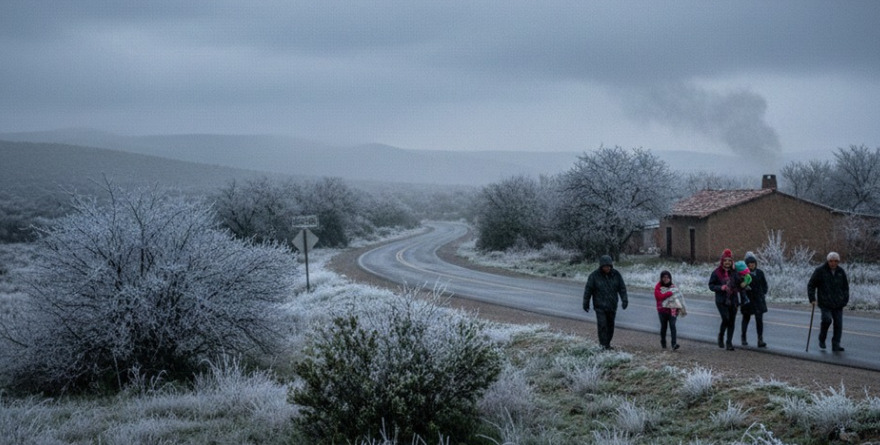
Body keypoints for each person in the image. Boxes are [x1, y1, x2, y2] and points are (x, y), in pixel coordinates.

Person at [583, 255, 628, 350]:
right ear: (601, 266)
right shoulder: (594, 276)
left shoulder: (616, 275)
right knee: (602, 325)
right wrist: (586, 302)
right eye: (604, 266)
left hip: (612, 305)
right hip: (600, 306)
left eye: (608, 266)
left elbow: (622, 288)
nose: (606, 268)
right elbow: (588, 290)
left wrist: (624, 300)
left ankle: (607, 344)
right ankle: (603, 345)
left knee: (610, 326)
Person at [808, 251, 849, 352]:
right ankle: (822, 338)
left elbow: (845, 287)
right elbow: (811, 285)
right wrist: (812, 299)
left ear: (838, 261)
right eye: (831, 261)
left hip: (838, 303)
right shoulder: (820, 271)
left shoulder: (841, 272)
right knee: (827, 320)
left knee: (838, 324)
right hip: (825, 302)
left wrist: (844, 300)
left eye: (835, 261)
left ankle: (836, 344)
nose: (833, 263)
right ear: (828, 261)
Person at [708, 248, 743, 351]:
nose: (727, 262)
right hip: (721, 300)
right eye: (725, 260)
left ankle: (729, 343)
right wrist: (720, 288)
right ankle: (721, 335)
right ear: (722, 261)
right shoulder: (716, 273)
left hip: (733, 300)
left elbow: (740, 283)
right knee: (726, 318)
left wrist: (744, 281)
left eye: (729, 260)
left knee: (731, 321)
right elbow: (711, 285)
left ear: (732, 261)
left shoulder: (735, 272)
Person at [740, 252, 769, 348]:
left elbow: (764, 285)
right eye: (749, 263)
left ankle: (760, 339)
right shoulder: (743, 274)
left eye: (753, 263)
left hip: (758, 300)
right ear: (746, 265)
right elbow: (740, 286)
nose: (752, 265)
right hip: (748, 300)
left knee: (759, 320)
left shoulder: (760, 273)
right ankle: (743, 337)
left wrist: (763, 293)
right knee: (746, 318)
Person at [654, 270, 680, 350]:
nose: (666, 279)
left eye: (668, 277)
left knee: (673, 326)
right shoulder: (658, 287)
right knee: (664, 327)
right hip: (662, 311)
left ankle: (674, 344)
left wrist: (679, 308)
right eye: (664, 277)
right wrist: (668, 294)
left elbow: (678, 298)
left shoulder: (673, 287)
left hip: (672, 310)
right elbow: (659, 297)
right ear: (661, 278)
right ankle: (663, 343)